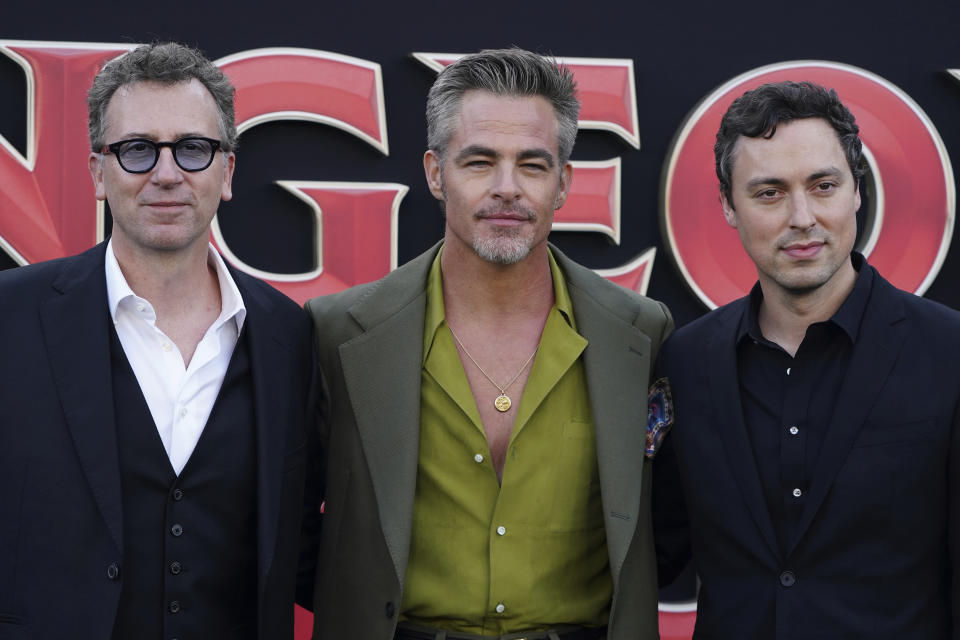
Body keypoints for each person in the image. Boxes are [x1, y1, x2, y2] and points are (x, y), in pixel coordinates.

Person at [306, 48, 673, 640]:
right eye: (479, 162)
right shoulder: (339, 332)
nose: (507, 189)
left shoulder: (639, 332)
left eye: (532, 164)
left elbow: (668, 531)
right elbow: (301, 538)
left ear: (564, 182)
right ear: (434, 173)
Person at [0, 42, 317, 639]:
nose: (166, 174)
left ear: (227, 172)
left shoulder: (288, 335)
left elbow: (302, 540)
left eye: (193, 149)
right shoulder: (10, 316)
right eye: (138, 150)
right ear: (99, 172)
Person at [653, 81, 960, 638]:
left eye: (823, 186)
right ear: (728, 205)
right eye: (769, 192)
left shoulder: (950, 352)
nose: (802, 217)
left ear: (856, 191)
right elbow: (652, 551)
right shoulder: (686, 362)